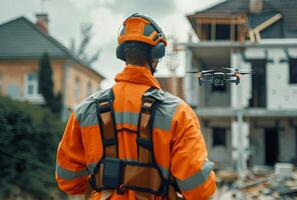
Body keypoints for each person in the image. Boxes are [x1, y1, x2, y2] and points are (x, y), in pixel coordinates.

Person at [55, 13, 216, 200]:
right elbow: (199, 189)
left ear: (122, 53)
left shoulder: (85, 111)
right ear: (157, 54)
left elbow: (68, 181)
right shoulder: (178, 113)